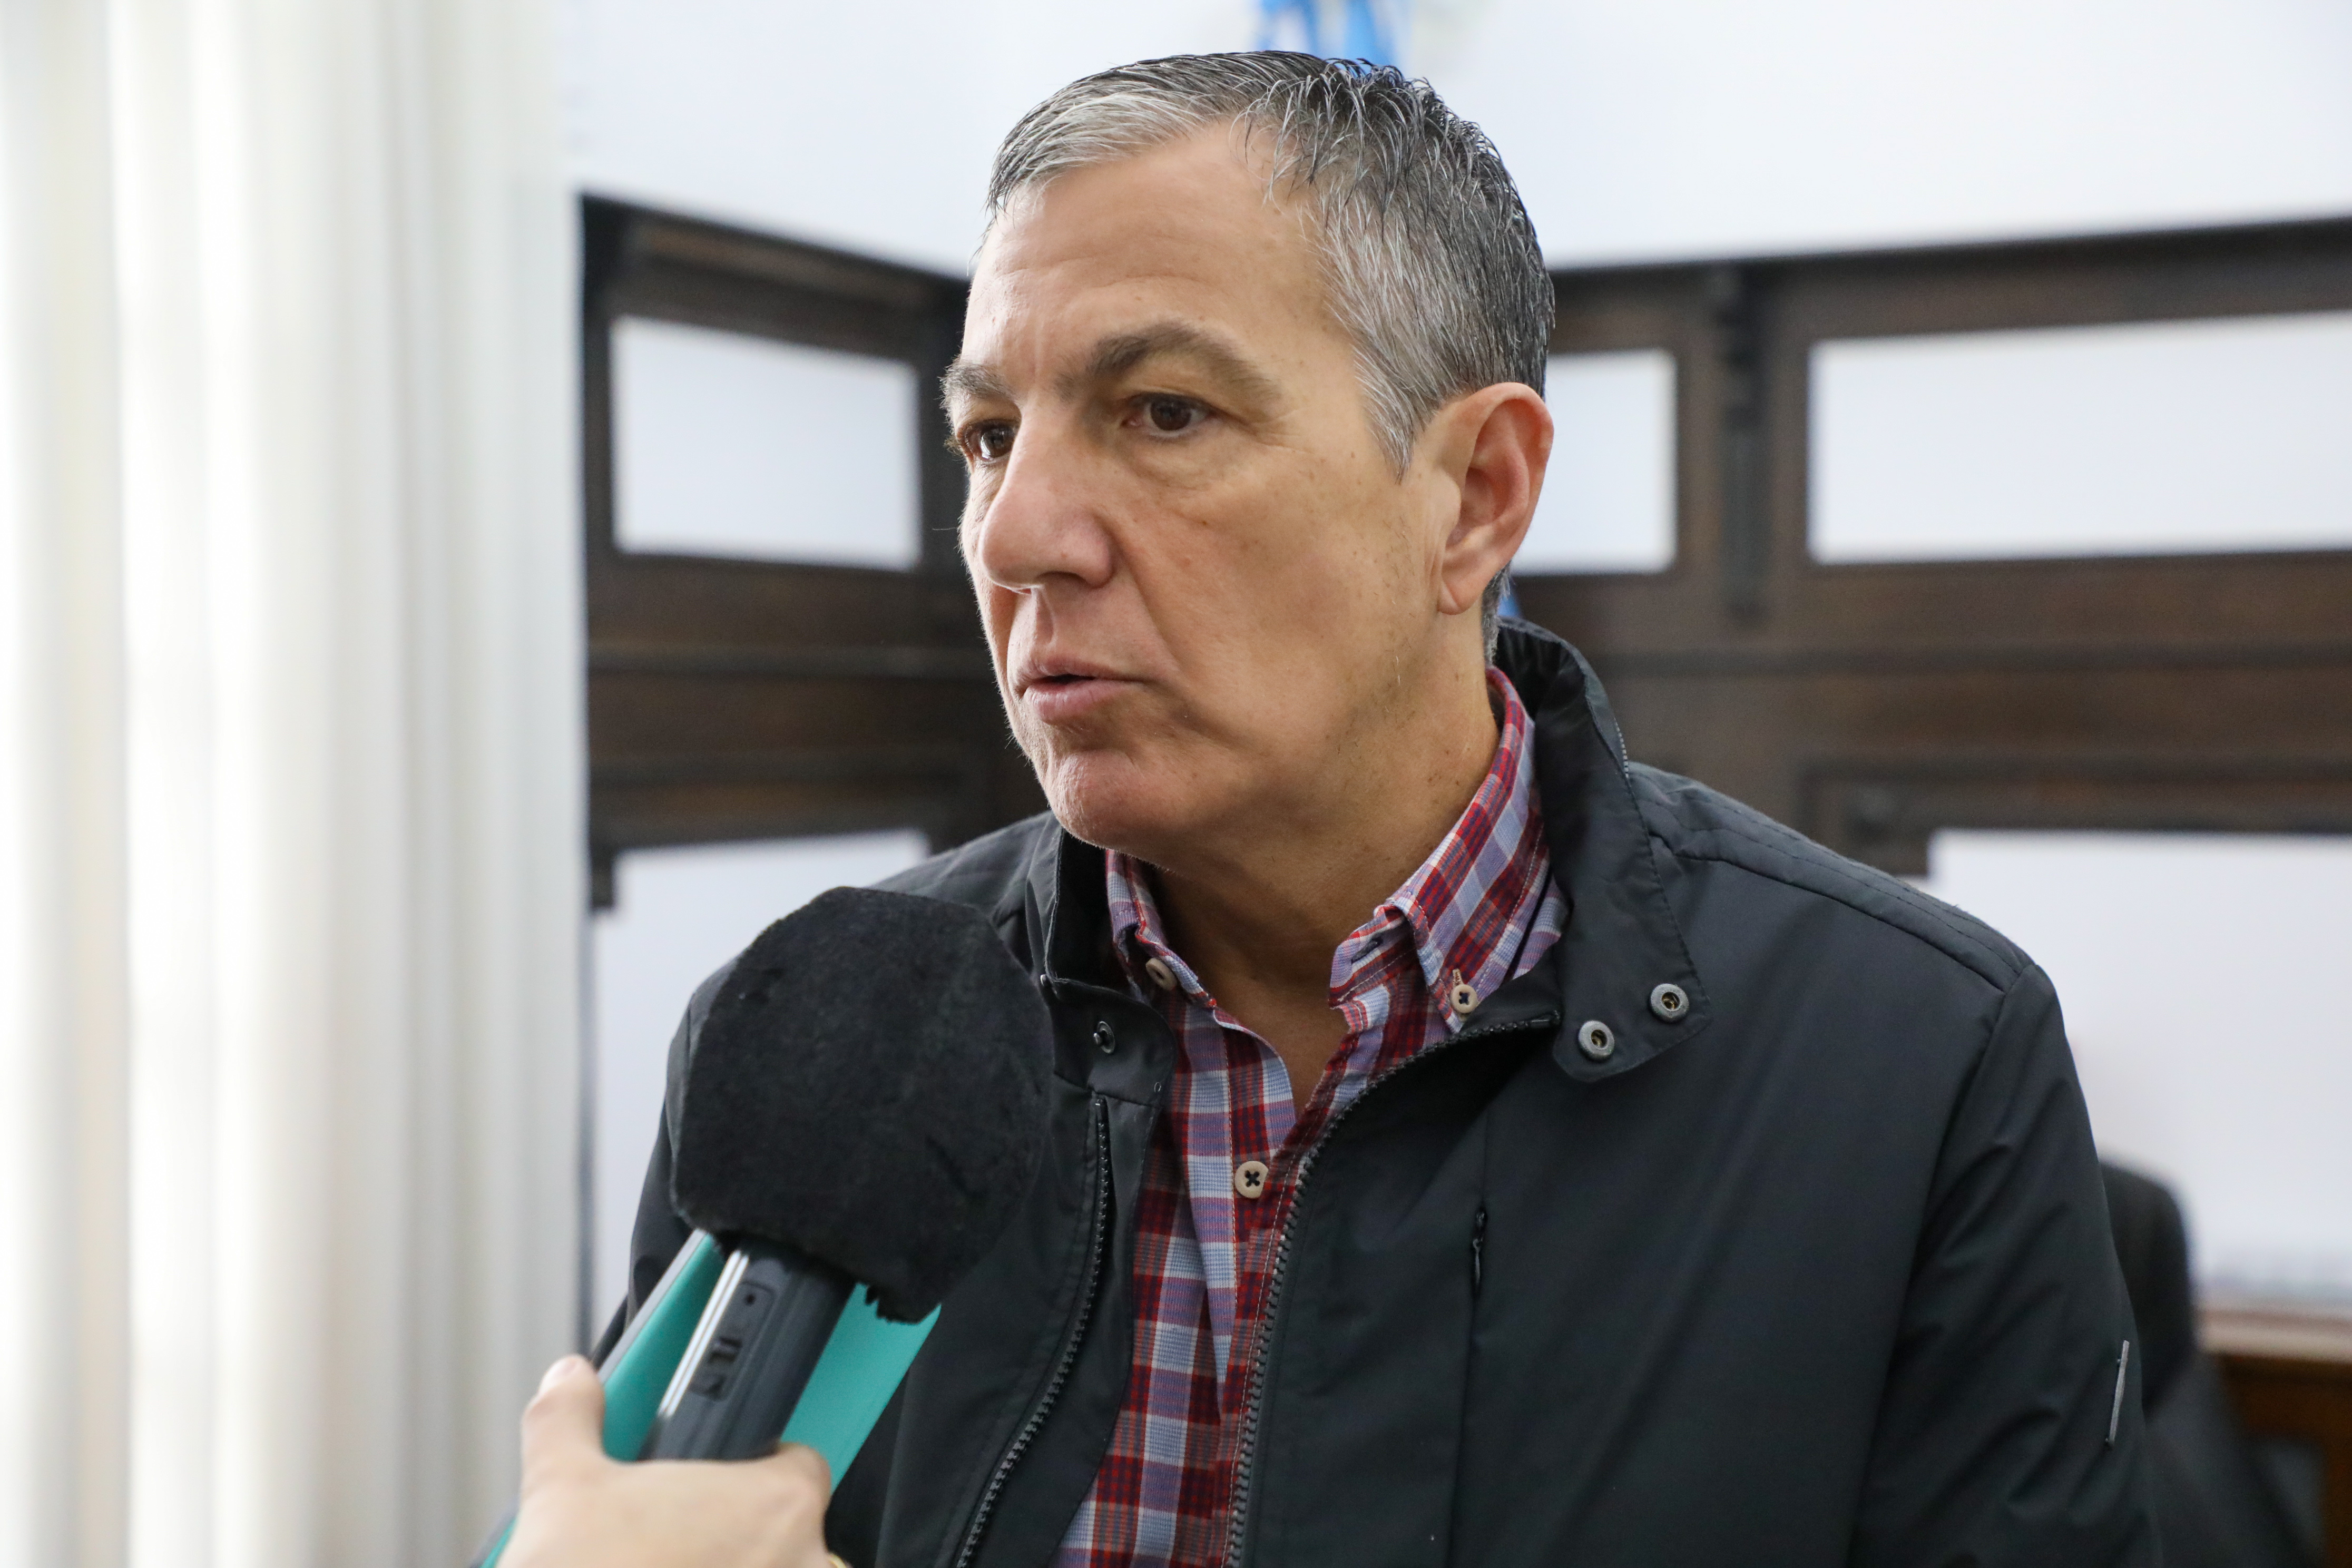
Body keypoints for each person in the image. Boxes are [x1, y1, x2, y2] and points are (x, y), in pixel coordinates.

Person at [508, 53, 2155, 1567]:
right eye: (989, 436)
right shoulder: (826, 1039)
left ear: (1476, 497)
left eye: (1164, 413)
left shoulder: (1922, 1060)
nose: (1016, 536)